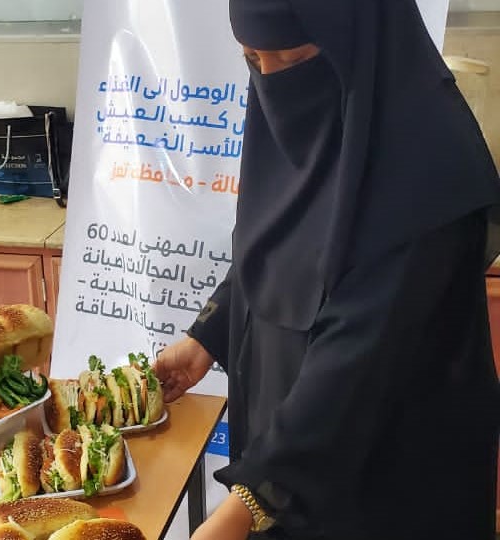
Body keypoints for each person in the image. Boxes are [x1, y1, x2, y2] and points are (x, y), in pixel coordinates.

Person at [153, 1, 500, 539]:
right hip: (289, 465)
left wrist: (248, 500)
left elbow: (362, 361)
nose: (270, 82)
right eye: (252, 60)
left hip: (390, 484)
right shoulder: (310, 124)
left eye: (291, 60)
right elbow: (273, 248)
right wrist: (207, 335)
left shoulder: (429, 168)